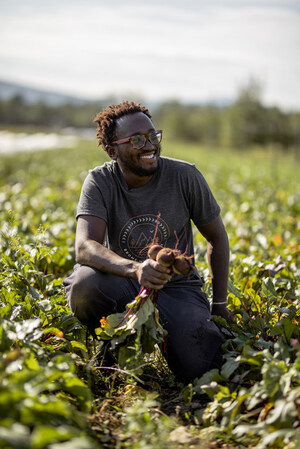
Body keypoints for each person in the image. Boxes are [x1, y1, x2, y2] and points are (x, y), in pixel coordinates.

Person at [63, 101, 230, 382]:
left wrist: (220, 305)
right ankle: (109, 344)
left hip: (178, 289)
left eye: (153, 136)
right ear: (112, 149)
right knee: (84, 286)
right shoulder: (100, 181)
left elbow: (217, 237)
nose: (149, 145)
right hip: (123, 281)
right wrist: (135, 269)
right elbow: (84, 247)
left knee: (203, 369)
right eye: (137, 140)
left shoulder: (185, 176)